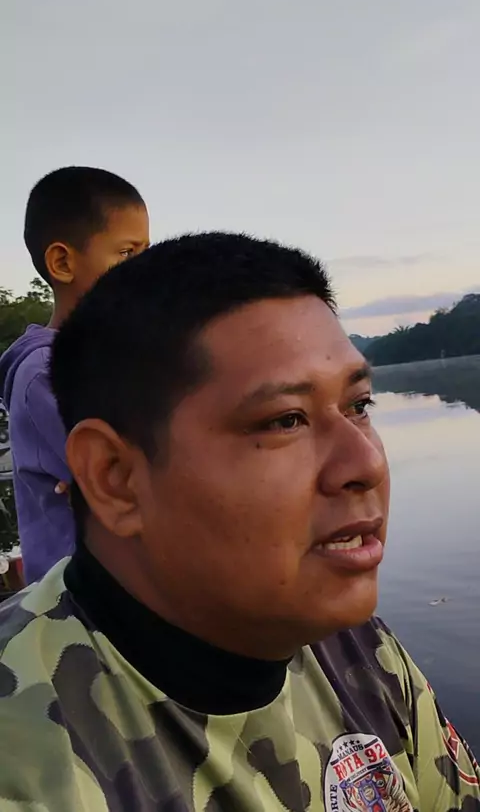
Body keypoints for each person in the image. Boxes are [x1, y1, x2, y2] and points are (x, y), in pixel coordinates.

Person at [0, 232, 478, 812]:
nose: (368, 464)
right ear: (114, 478)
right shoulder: (27, 765)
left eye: (359, 406)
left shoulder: (354, 646)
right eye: (285, 420)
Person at [0, 167, 149, 584]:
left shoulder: (121, 358)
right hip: (83, 601)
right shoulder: (45, 373)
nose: (145, 270)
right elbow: (140, 483)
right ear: (63, 263)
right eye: (127, 254)